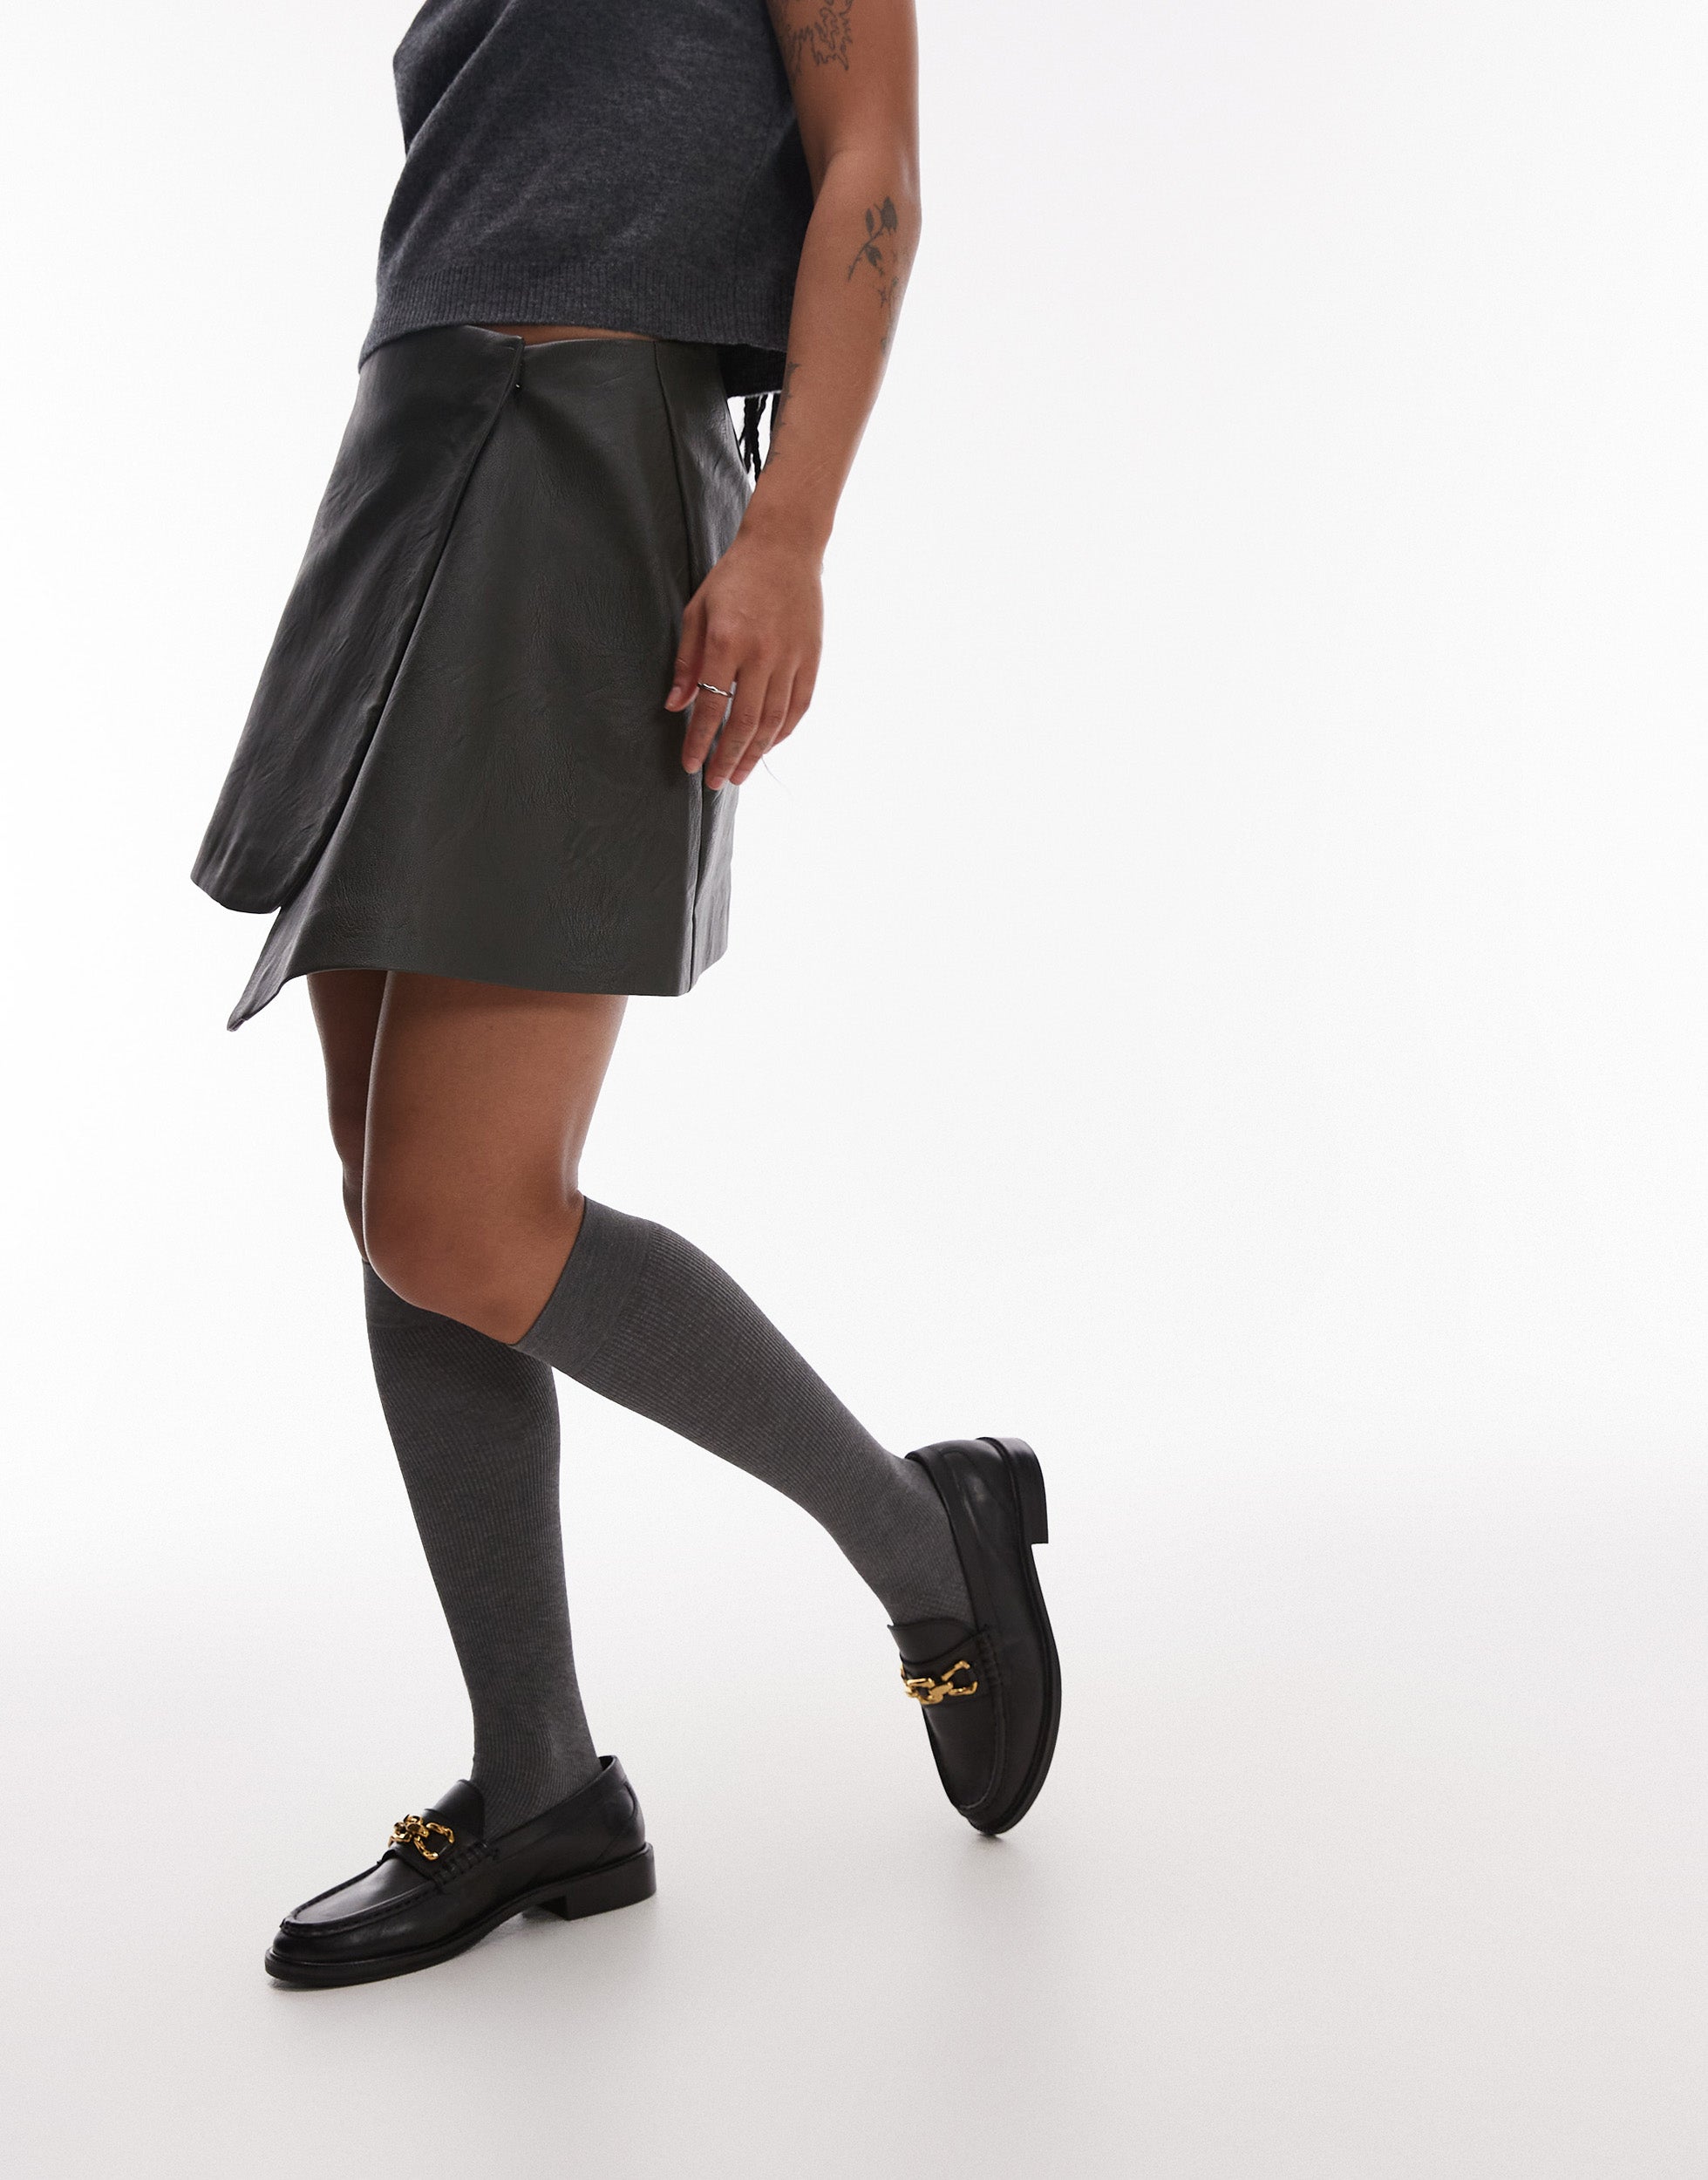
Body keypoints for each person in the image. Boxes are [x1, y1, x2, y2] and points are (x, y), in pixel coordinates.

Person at [194, 0, 1059, 1991]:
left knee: (463, 1213)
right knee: (394, 1195)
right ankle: (540, 1782)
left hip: (586, 460)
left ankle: (919, 1539)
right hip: (411, 454)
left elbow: (868, 161)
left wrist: (791, 529)